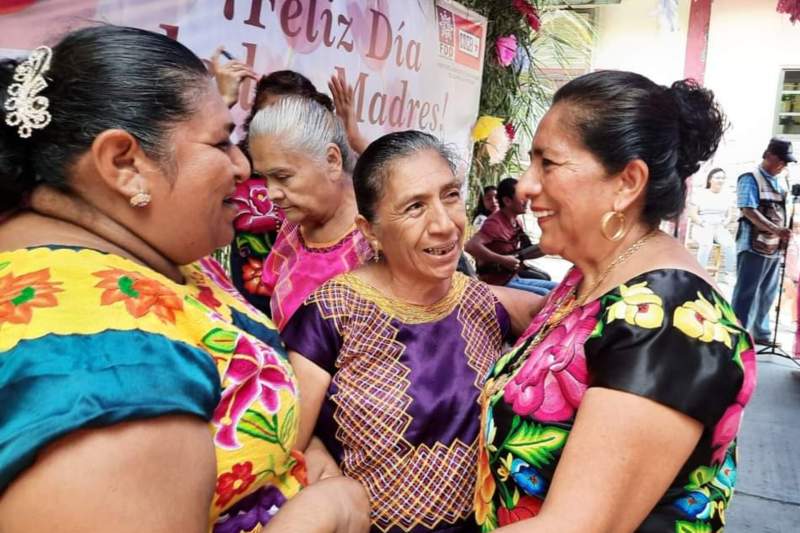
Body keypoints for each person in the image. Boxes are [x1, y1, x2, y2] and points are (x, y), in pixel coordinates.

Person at [0, 25, 368, 533]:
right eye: (221, 143)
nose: (243, 169)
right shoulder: (104, 373)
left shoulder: (144, 248)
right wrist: (331, 508)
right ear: (125, 164)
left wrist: (293, 448)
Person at [474, 71, 755, 532]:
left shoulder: (669, 322)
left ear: (627, 182)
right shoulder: (597, 276)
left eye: (548, 163)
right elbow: (567, 341)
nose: (524, 186)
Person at [281, 131, 544, 532]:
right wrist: (319, 459)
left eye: (450, 195)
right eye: (415, 206)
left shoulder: (481, 301)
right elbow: (287, 446)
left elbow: (588, 312)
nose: (444, 224)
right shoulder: (332, 312)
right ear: (369, 230)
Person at [247, 96, 373, 331]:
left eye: (283, 177)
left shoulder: (378, 239)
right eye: (265, 178)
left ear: (332, 160)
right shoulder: (294, 221)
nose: (271, 193)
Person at [731, 138, 796, 346]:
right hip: (753, 245)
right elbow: (748, 210)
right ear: (769, 155)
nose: (784, 165)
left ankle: (761, 332)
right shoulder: (750, 178)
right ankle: (739, 335)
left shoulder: (781, 180)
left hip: (774, 246)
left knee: (768, 291)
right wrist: (776, 229)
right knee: (746, 292)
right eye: (782, 160)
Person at [465, 177, 556, 296]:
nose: (527, 201)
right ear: (507, 201)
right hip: (496, 283)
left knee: (559, 288)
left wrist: (553, 245)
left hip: (513, 278)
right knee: (545, 294)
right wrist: (502, 260)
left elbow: (527, 251)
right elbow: (470, 246)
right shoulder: (494, 223)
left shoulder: (516, 221)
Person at [688, 168, 737, 282]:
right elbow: (693, 214)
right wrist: (703, 223)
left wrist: (725, 223)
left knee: (730, 244)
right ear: (710, 179)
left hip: (719, 226)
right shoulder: (701, 194)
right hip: (702, 225)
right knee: (706, 244)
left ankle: (728, 274)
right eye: (717, 177)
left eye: (722, 178)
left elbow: (729, 215)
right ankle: (700, 274)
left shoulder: (727, 196)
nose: (720, 180)